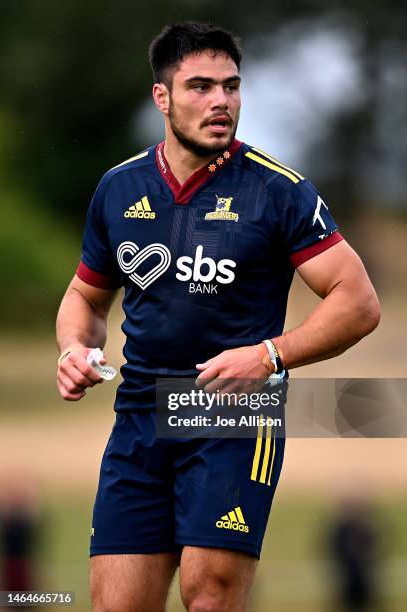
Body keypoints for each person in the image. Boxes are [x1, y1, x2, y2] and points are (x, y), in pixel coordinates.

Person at [56, 21, 380, 612]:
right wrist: (74, 349)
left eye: (231, 87)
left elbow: (357, 302)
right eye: (200, 87)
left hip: (237, 412)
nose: (220, 102)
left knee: (210, 594)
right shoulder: (118, 189)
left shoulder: (279, 191)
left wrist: (268, 356)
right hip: (140, 414)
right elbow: (84, 298)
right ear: (163, 98)